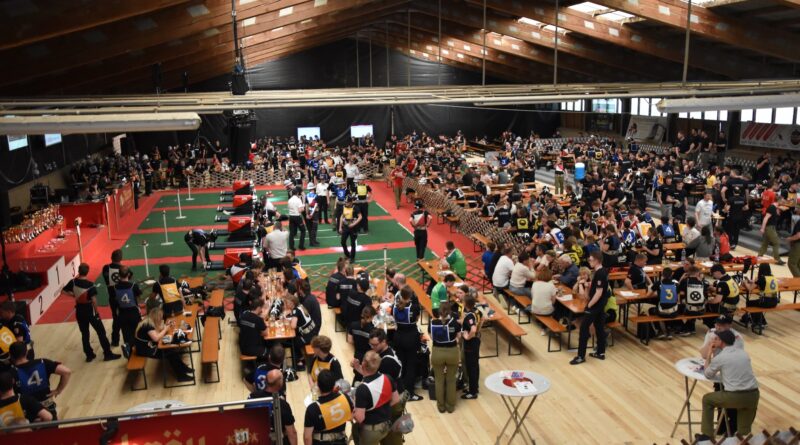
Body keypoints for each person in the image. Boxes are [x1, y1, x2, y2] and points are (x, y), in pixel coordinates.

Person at [696, 329, 760, 441]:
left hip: (734, 396)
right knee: (743, 434)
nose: (714, 340)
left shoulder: (721, 357)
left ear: (722, 341)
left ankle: (707, 435)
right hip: (753, 395)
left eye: (716, 339)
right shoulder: (744, 354)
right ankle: (741, 438)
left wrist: (710, 353)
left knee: (707, 399)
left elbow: (708, 374)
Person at [62, 263, 120, 362]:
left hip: (79, 310)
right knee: (101, 332)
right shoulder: (90, 285)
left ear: (78, 271)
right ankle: (107, 354)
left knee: (85, 334)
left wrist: (75, 295)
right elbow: (94, 300)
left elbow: (63, 291)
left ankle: (89, 355)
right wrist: (96, 313)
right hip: (90, 310)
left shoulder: (73, 282)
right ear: (87, 272)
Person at [9, 342, 70, 420]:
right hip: (48, 408)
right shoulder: (42, 362)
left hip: (28, 413)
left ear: (11, 355)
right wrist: (58, 390)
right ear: (27, 352)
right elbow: (66, 372)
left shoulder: (10, 373)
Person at [133, 306, 194, 382]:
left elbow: (157, 330)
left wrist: (166, 325)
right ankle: (181, 376)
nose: (161, 319)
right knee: (171, 353)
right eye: (160, 317)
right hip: (145, 350)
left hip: (147, 347)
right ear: (156, 316)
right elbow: (156, 338)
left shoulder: (148, 321)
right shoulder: (148, 325)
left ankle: (183, 368)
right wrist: (165, 329)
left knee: (172, 350)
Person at [353, 350, 401, 445]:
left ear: (363, 364)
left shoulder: (362, 389)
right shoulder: (387, 377)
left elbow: (359, 418)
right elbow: (396, 399)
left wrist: (352, 411)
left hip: (370, 431)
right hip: (387, 425)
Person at [570, 251, 608, 365]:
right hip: (600, 305)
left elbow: (599, 293)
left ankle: (581, 356)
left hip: (595, 305)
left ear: (597, 260)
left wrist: (590, 305)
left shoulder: (600, 273)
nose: (589, 262)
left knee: (583, 329)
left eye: (590, 260)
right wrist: (588, 286)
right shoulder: (600, 271)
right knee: (599, 327)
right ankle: (600, 352)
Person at [303, 369, 353, 445]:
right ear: (334, 385)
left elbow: (307, 437)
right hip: (341, 441)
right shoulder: (345, 398)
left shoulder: (313, 408)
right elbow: (352, 417)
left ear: (318, 386)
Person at [249, 369, 298, 445]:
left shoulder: (252, 397)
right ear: (280, 384)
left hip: (256, 438)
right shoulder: (282, 404)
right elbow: (291, 432)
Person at [429, 301, 461, 413]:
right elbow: (458, 337)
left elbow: (432, 337)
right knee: (451, 380)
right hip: (452, 352)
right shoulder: (455, 323)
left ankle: (441, 406)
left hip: (437, 352)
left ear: (439, 311)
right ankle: (450, 406)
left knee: (439, 380)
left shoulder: (432, 323)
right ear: (450, 311)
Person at [392, 286, 423, 401]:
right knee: (410, 366)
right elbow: (416, 319)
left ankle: (400, 391)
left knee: (401, 364)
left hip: (398, 337)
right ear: (410, 296)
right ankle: (409, 393)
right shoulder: (414, 307)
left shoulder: (395, 306)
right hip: (411, 338)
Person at [111, 266, 142, 347]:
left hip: (122, 314)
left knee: (126, 336)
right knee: (137, 334)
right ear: (128, 274)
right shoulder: (134, 286)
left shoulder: (114, 287)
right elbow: (139, 297)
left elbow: (115, 300)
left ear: (119, 275)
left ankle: (129, 352)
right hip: (134, 313)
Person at [741, 263, 779, 329]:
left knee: (750, 303)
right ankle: (761, 321)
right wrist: (755, 281)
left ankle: (758, 323)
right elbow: (764, 285)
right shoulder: (772, 277)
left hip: (766, 301)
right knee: (756, 303)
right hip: (775, 301)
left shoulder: (762, 278)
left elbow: (750, 289)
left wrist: (744, 282)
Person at [647, 268, 681, 339]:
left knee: (652, 310)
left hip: (662, 313)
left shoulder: (658, 283)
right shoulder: (676, 284)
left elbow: (648, 295)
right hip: (674, 312)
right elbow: (678, 298)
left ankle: (660, 331)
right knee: (670, 305)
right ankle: (669, 330)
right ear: (671, 275)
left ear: (662, 274)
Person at [286, 294, 316, 372]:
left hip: (308, 336)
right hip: (313, 332)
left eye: (287, 303)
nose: (286, 305)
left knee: (293, 342)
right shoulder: (300, 306)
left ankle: (299, 363)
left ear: (292, 303)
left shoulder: (295, 311)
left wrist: (288, 322)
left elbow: (293, 326)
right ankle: (301, 358)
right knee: (295, 338)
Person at [678, 265, 710, 336]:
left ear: (688, 273)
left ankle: (684, 328)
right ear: (698, 273)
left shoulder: (685, 281)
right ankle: (691, 328)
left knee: (680, 305)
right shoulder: (703, 282)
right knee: (694, 302)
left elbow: (678, 290)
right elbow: (707, 291)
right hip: (702, 310)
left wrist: (681, 278)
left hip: (688, 311)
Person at [347, 306, 376, 383]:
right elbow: (374, 345)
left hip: (357, 354)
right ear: (371, 317)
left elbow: (349, 340)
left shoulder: (353, 325)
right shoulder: (373, 330)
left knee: (357, 376)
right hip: (368, 357)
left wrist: (358, 342)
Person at [461, 293, 481, 400]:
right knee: (475, 366)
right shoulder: (476, 311)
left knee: (471, 367)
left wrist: (467, 337)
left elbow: (473, 329)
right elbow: (483, 319)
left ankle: (472, 392)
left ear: (465, 303)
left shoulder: (469, 315)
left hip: (471, 343)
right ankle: (474, 388)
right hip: (476, 341)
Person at [102, 249, 124, 346]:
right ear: (121, 258)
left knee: (116, 319)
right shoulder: (123, 269)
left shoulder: (105, 268)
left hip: (112, 298)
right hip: (122, 298)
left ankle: (115, 341)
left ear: (111, 258)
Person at [757, 197, 785, 265]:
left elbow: (773, 216)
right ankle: (777, 259)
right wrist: (762, 228)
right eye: (782, 201)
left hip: (770, 227)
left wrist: (778, 210)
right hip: (770, 228)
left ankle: (759, 255)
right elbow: (766, 218)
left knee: (765, 243)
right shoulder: (772, 207)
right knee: (776, 243)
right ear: (779, 200)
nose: (783, 202)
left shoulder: (774, 207)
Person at [339, 197, 362, 262]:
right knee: (343, 242)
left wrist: (354, 224)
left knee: (352, 243)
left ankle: (352, 257)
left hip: (353, 228)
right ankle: (347, 254)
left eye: (347, 202)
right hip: (345, 227)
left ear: (351, 202)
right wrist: (340, 227)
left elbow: (360, 217)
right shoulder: (344, 207)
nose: (346, 203)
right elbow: (342, 216)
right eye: (345, 202)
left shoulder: (355, 208)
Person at [288, 187, 307, 251]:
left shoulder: (290, 200)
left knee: (291, 232)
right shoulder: (298, 200)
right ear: (297, 193)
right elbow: (300, 210)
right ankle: (301, 246)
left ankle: (291, 246)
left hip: (291, 216)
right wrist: (303, 205)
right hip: (297, 216)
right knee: (303, 230)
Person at [305, 183, 321, 247]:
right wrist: (312, 214)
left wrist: (307, 214)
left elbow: (306, 205)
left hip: (309, 212)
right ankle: (312, 242)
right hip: (314, 213)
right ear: (313, 188)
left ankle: (312, 241)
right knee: (314, 228)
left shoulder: (306, 196)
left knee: (310, 228)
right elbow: (315, 206)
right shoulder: (316, 196)